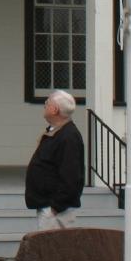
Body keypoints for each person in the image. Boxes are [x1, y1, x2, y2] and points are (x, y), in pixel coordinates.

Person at [24, 90, 84, 231]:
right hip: (48, 207)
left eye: (47, 103)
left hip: (56, 212)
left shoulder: (68, 137)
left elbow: (71, 176)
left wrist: (56, 207)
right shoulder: (57, 132)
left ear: (55, 109)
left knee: (55, 251)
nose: (45, 106)